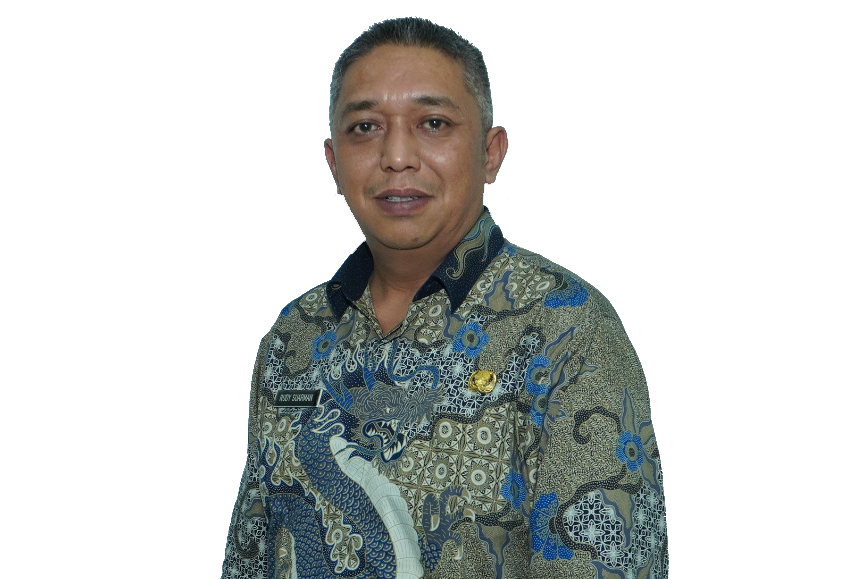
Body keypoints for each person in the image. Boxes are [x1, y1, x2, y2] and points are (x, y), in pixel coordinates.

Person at [221, 17, 668, 579]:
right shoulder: (295, 338)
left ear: (491, 152)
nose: (397, 156)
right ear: (333, 163)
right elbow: (249, 556)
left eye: (433, 123)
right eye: (365, 127)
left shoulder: (567, 333)